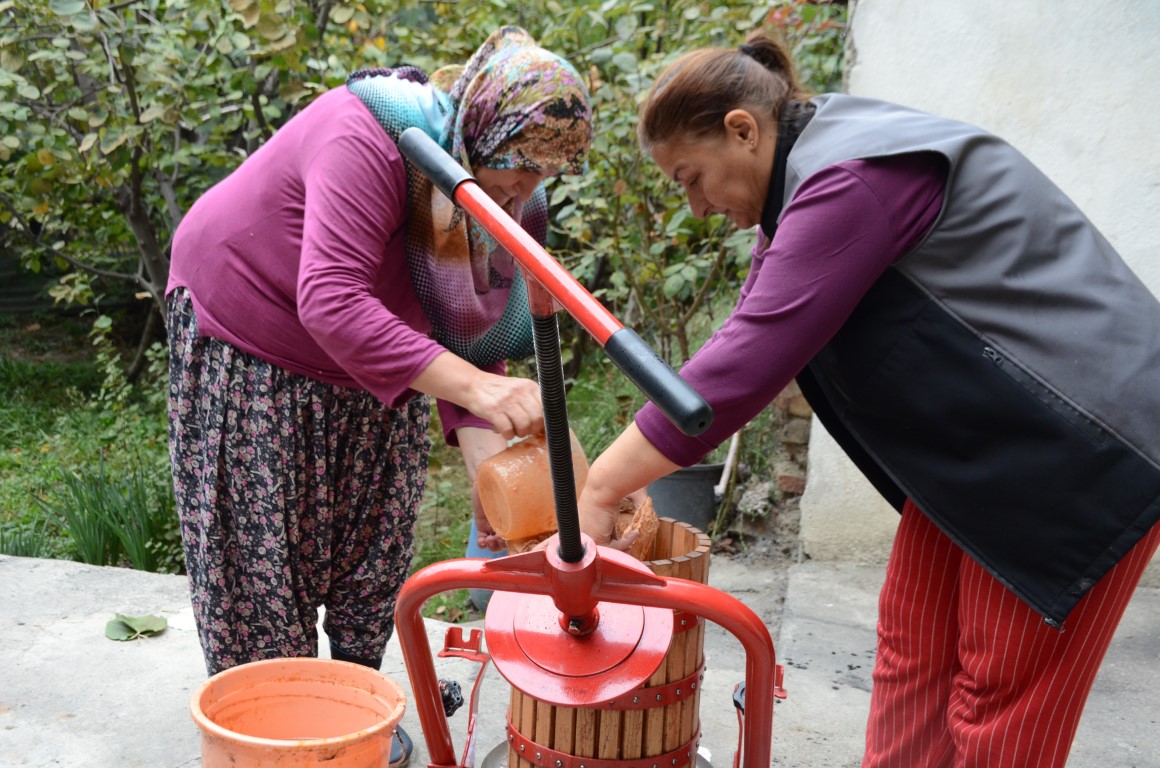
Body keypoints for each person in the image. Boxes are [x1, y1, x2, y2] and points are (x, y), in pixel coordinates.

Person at [577, 29, 1160, 768]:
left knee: (1001, 695)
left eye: (692, 177)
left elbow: (747, 362)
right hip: (983, 443)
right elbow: (740, 340)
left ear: (742, 130)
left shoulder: (851, 177)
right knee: (912, 647)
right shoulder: (806, 185)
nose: (694, 206)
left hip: (1084, 447)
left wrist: (603, 484)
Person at [166, 26, 591, 767]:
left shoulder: (497, 192)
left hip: (371, 352)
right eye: (516, 171)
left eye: (540, 179)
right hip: (252, 329)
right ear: (479, 129)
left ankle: (348, 713)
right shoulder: (365, 134)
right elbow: (330, 301)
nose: (523, 193)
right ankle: (279, 726)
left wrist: (485, 466)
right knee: (270, 562)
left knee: (373, 550)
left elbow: (469, 331)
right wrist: (479, 392)